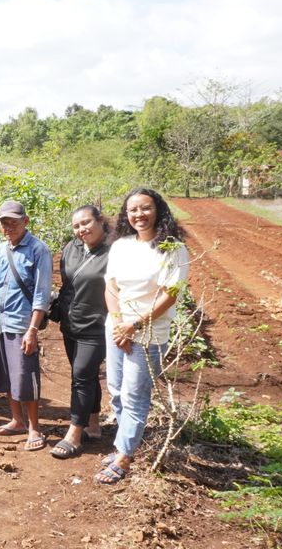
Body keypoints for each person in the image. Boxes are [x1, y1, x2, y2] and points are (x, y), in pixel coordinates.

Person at [96, 188, 189, 484]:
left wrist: (134, 326)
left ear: (158, 210)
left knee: (136, 395)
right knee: (118, 391)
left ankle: (124, 457)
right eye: (133, 209)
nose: (139, 214)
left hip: (148, 334)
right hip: (117, 328)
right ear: (126, 214)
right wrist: (120, 323)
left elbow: (169, 295)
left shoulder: (172, 249)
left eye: (145, 208)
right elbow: (111, 286)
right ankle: (124, 444)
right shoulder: (121, 245)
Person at [0, 200, 52, 452]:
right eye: (4, 222)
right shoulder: (0, 249)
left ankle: (34, 427)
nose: (9, 227)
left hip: (22, 324)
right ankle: (16, 421)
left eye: (14, 221)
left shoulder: (38, 250)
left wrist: (33, 329)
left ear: (25, 221)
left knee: (26, 376)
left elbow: (42, 293)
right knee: (6, 376)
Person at [50, 205, 110, 459]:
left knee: (82, 376)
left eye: (86, 223)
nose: (81, 230)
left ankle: (74, 434)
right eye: (76, 226)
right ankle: (93, 426)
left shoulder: (115, 251)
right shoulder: (71, 249)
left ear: (100, 220)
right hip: (71, 324)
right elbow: (67, 284)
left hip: (97, 326)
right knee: (87, 376)